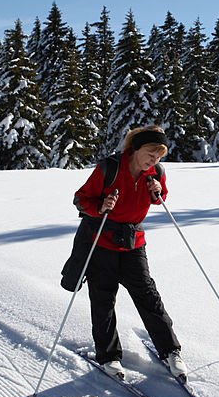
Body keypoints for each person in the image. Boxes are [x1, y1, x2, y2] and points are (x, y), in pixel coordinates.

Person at [70, 125, 187, 382]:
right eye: (149, 154)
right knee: (103, 300)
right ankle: (109, 355)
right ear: (135, 149)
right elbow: (80, 198)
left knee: (148, 296)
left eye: (158, 157)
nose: (153, 161)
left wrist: (157, 193)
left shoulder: (155, 172)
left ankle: (170, 351)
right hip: (102, 242)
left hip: (134, 243)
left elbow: (160, 196)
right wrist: (101, 205)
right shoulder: (109, 168)